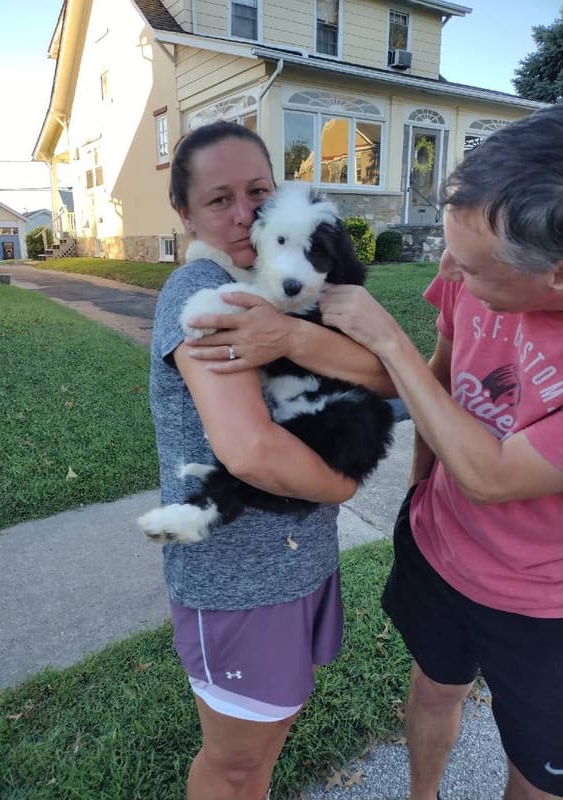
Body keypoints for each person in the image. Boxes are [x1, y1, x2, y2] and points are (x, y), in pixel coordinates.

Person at [187, 105, 563, 800]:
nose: (448, 272)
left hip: (542, 602)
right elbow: (439, 385)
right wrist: (419, 497)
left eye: (471, 267)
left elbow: (490, 475)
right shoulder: (476, 265)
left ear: (557, 277)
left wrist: (386, 338)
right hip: (441, 550)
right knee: (431, 693)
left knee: (535, 775)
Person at [150, 119, 393, 800]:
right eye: (217, 199)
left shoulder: (280, 277)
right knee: (234, 765)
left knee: (264, 750)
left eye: (256, 192)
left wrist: (290, 334)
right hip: (237, 580)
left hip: (297, 562)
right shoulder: (201, 289)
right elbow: (251, 450)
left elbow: (383, 375)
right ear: (184, 213)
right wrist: (343, 485)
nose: (241, 215)